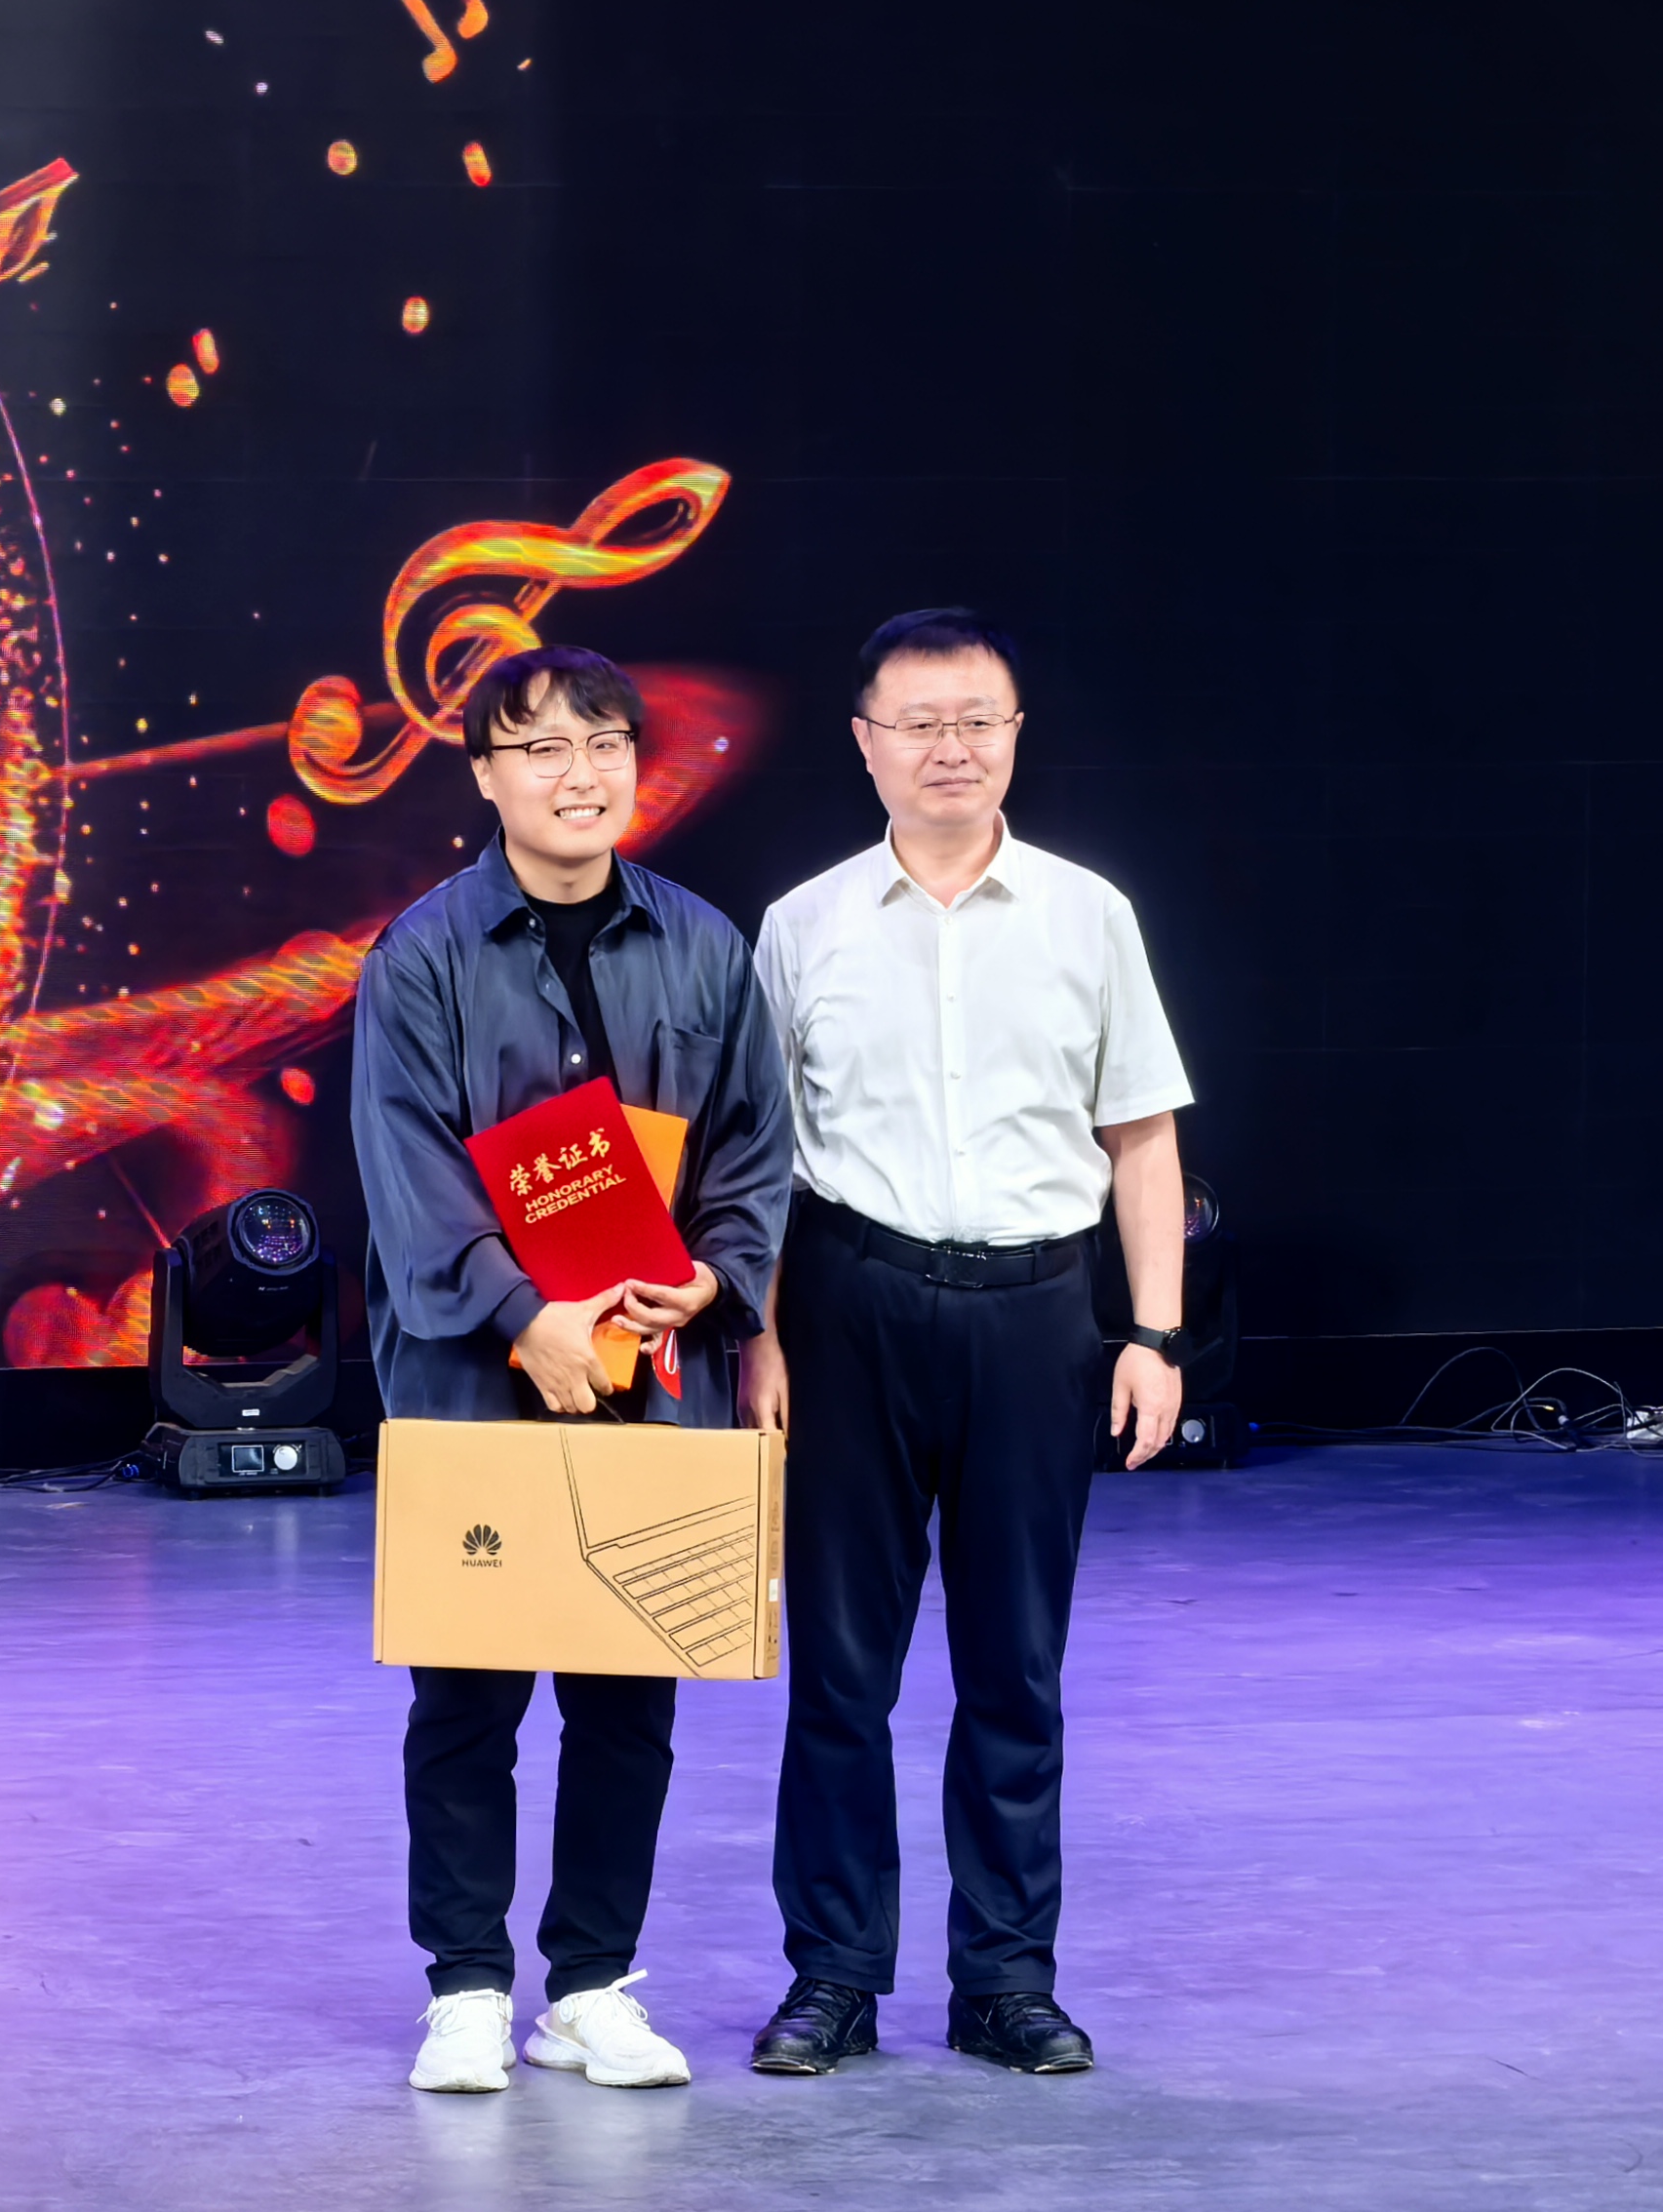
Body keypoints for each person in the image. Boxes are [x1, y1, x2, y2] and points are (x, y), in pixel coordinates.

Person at [742, 608, 1195, 2078]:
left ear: (1014, 735)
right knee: (840, 1673)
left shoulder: (1088, 915)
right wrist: (761, 1336)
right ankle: (832, 1978)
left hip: (1038, 1318)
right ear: (866, 743)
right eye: (919, 722)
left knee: (1015, 1669)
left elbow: (1141, 1138)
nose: (951, 746)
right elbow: (760, 1161)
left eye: (976, 719)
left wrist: (1152, 1334)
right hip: (849, 1307)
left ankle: (1005, 1981)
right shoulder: (802, 924)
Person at [349, 644, 793, 2093]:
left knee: (627, 1699)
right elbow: (406, 1165)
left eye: (604, 744)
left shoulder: (705, 946)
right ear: (485, 777)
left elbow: (753, 1150)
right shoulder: (422, 953)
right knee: (466, 1698)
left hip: (655, 1367)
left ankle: (591, 1986)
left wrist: (718, 1278)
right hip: (477, 1377)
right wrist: (519, 1314)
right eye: (539, 748)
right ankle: (467, 1988)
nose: (579, 774)